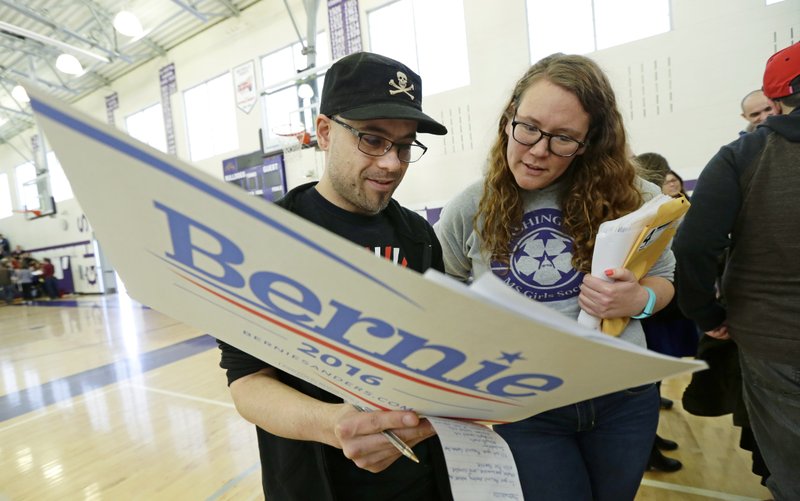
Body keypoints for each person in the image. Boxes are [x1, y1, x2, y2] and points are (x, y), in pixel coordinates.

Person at [434, 53, 676, 501]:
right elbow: (441, 300)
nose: (538, 150)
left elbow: (663, 280)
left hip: (622, 397)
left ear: (591, 142)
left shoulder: (637, 198)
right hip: (525, 405)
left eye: (564, 138)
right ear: (509, 119)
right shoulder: (469, 207)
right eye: (527, 127)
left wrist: (637, 301)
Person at [216, 52, 453, 501]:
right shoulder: (263, 237)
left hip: (419, 481)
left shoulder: (418, 236)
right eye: (372, 139)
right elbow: (247, 383)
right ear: (325, 132)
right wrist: (335, 425)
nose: (391, 163)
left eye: (404, 145)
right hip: (314, 481)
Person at [675, 41, 800, 501]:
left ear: (777, 98)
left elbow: (693, 246)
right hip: (771, 337)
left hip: (772, 339)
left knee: (790, 467)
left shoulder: (744, 155)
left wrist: (706, 315)